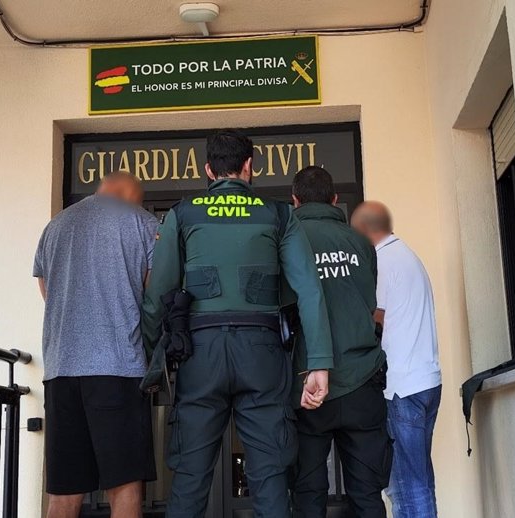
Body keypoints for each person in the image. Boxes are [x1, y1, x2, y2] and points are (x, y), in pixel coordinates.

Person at [142, 130, 333, 518]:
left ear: (208, 169)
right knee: (269, 475)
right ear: (250, 166)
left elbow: (155, 295)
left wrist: (148, 360)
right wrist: (320, 364)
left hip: (200, 355)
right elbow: (310, 291)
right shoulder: (280, 214)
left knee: (191, 477)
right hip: (261, 351)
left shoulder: (183, 213)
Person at [33, 171, 158, 518]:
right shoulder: (142, 223)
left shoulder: (54, 226)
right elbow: (152, 294)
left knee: (63, 492)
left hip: (60, 369)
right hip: (117, 370)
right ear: (129, 194)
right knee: (125, 486)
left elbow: (46, 288)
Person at [289, 167, 391, 518]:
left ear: (295, 199)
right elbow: (367, 299)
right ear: (334, 200)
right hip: (362, 379)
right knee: (367, 494)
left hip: (310, 386)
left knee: (308, 494)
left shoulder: (290, 238)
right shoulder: (360, 242)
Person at [351, 201, 442, 518]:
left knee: (405, 490)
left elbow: (375, 320)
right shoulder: (409, 257)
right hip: (427, 382)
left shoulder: (383, 261)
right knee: (421, 482)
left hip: (401, 388)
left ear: (364, 230)